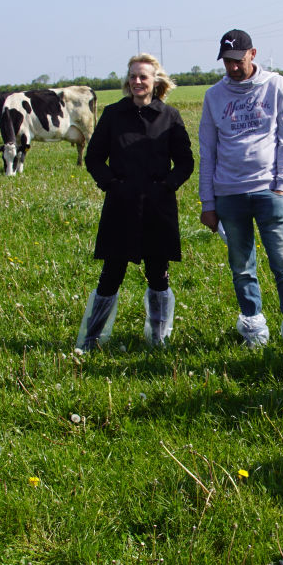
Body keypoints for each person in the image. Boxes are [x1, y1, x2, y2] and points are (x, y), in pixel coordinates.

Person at [198, 29, 283, 348]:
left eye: (239, 60)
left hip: (269, 192)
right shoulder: (214, 96)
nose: (233, 67)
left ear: (253, 54)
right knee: (241, 267)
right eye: (227, 61)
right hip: (228, 194)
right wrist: (208, 203)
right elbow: (207, 151)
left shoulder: (276, 86)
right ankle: (253, 327)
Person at [76, 53, 194, 350]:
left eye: (143, 76)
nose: (137, 81)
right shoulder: (113, 114)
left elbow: (185, 162)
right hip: (121, 206)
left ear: (155, 81)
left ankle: (158, 338)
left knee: (158, 275)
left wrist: (166, 186)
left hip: (157, 208)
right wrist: (111, 184)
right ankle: (91, 339)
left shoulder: (170, 116)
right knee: (110, 275)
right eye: (133, 76)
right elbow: (93, 158)